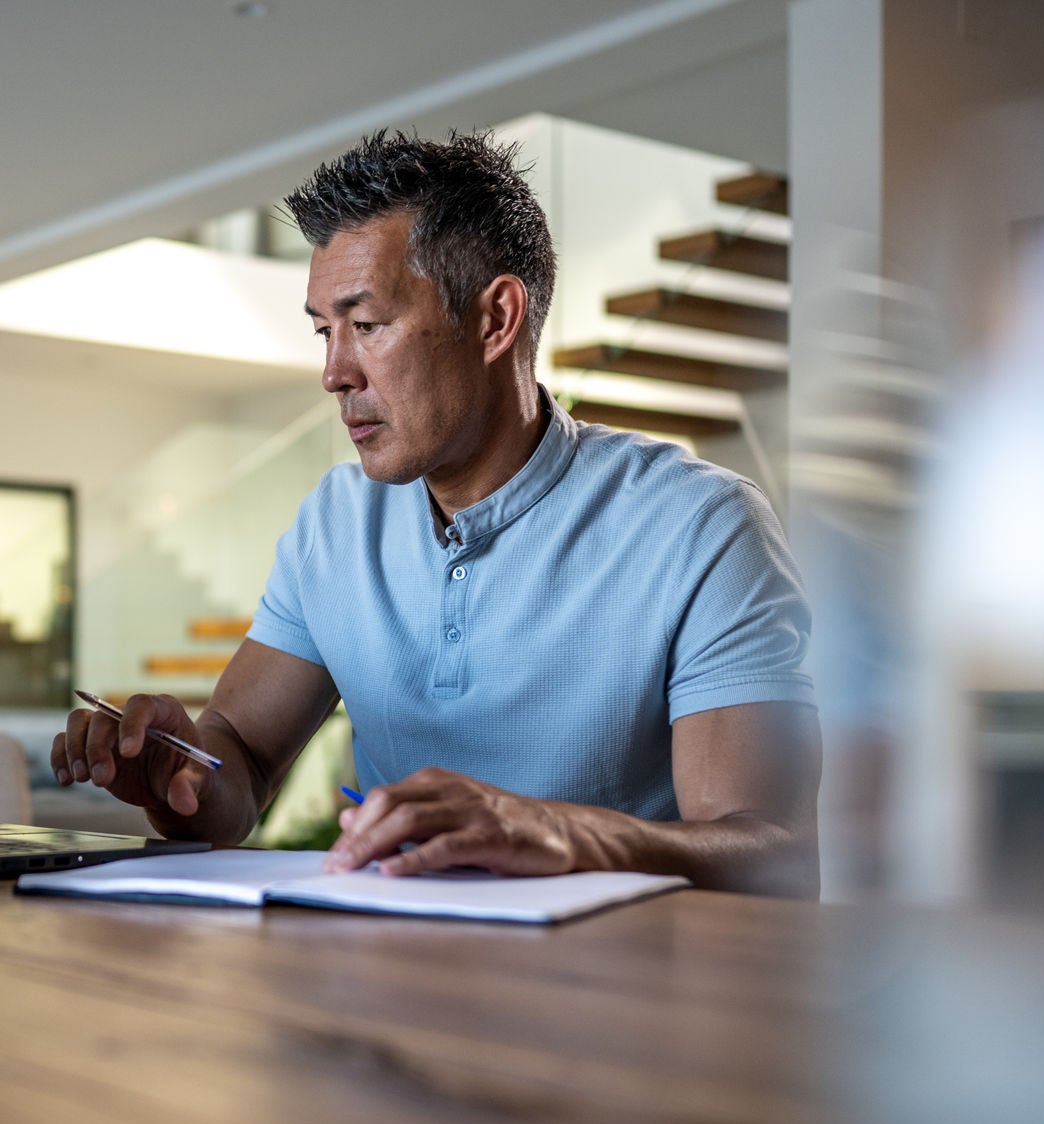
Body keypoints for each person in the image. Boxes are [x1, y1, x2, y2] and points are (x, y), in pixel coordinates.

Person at [53, 131, 820, 897]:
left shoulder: (700, 524)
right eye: (325, 330)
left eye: (368, 324)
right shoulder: (335, 521)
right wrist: (175, 771)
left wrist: (557, 832)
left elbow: (772, 850)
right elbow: (237, 765)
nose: (333, 372)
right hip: (385, 977)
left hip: (615, 993)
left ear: (495, 319)